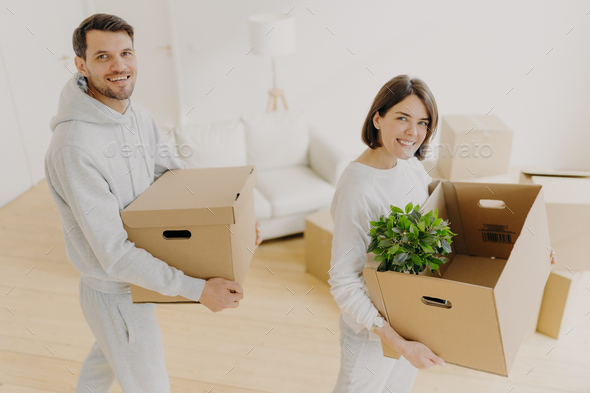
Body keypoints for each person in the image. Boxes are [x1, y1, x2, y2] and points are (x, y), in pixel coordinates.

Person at [44, 13, 262, 393]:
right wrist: (196, 289)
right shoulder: (75, 146)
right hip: (115, 291)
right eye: (103, 57)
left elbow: (174, 179)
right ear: (80, 64)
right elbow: (113, 253)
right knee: (148, 383)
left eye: (126, 53)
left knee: (106, 356)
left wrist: (230, 232)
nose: (119, 66)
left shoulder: (137, 116)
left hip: (137, 280)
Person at [328, 75, 557, 393]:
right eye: (402, 118)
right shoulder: (358, 188)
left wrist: (529, 257)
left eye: (423, 123)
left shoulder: (408, 164)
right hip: (373, 332)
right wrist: (400, 342)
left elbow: (436, 214)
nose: (413, 133)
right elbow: (343, 282)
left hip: (410, 317)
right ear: (377, 117)